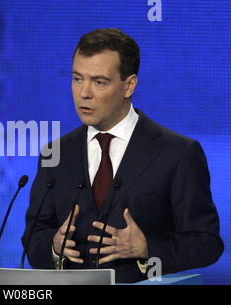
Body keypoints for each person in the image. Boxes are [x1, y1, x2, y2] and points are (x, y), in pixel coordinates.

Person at [21, 28, 224, 283]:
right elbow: (33, 238)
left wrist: (147, 249)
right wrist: (53, 245)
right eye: (77, 79)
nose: (84, 93)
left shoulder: (178, 154)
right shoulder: (56, 153)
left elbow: (207, 242)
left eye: (99, 82)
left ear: (129, 85)